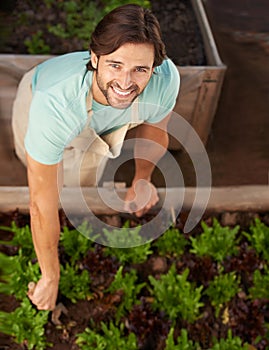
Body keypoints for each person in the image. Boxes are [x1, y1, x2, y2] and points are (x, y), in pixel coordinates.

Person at [12, 4, 180, 310]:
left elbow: (155, 132)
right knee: (45, 178)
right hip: (40, 97)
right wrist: (50, 277)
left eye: (140, 69)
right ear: (95, 59)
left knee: (78, 180)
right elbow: (39, 202)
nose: (126, 82)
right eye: (115, 65)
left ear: (154, 68)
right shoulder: (54, 106)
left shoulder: (165, 79)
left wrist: (142, 179)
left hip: (94, 120)